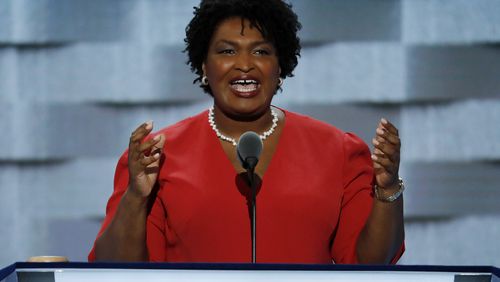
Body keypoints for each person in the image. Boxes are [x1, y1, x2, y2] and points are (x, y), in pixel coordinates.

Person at [89, 0, 404, 264]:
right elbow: (115, 269)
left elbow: (370, 265)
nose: (244, 64)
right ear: (203, 66)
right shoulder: (157, 156)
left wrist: (387, 190)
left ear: (280, 68)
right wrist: (135, 197)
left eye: (261, 52)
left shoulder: (339, 151)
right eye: (227, 51)